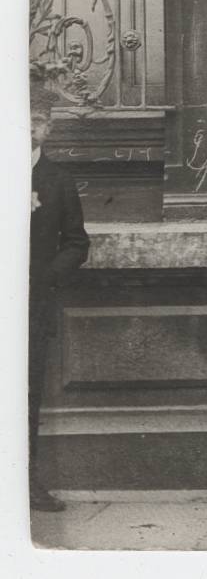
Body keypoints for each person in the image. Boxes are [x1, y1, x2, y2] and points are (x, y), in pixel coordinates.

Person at [29, 77, 90, 513]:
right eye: (25, 119)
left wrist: (43, 279)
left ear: (49, 128)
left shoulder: (58, 180)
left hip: (30, 306)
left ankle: (24, 484)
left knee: (25, 396)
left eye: (41, 120)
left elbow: (76, 243)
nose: (33, 127)